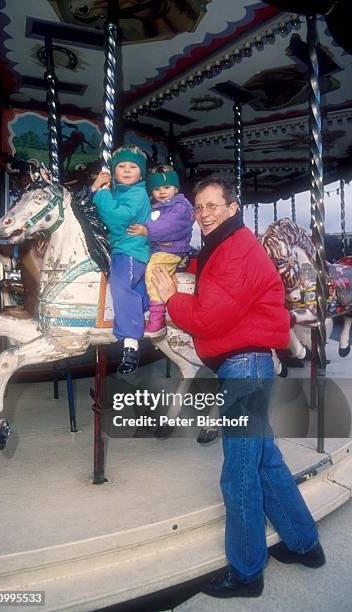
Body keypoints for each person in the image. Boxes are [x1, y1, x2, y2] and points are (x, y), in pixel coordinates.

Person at [152, 177, 325, 599]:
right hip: (250, 363)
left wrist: (172, 299)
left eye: (213, 205)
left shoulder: (235, 251)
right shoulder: (223, 248)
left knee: (240, 473)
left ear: (232, 208)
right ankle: (305, 545)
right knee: (265, 460)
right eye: (199, 207)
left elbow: (209, 317)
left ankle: (247, 572)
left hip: (244, 366)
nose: (205, 213)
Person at [91, 145, 151, 375]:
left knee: (120, 284)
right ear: (114, 172)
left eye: (133, 167)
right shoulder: (118, 192)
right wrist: (95, 189)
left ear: (141, 173)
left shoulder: (137, 194)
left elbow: (118, 218)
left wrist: (102, 194)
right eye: (121, 166)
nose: (127, 170)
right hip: (117, 248)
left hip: (131, 251)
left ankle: (131, 344)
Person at [127, 165, 194, 337]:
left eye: (166, 187)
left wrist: (147, 230)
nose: (162, 191)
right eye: (157, 188)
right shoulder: (156, 207)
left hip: (173, 249)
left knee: (154, 271)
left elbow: (169, 225)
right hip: (158, 248)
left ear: (176, 188)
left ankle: (157, 319)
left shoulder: (181, 207)